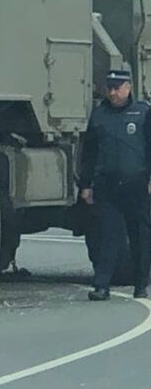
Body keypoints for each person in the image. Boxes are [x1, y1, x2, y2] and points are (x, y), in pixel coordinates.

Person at [79, 69, 151, 301]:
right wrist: (85, 184)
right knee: (107, 236)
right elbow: (89, 152)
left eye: (117, 87)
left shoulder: (143, 112)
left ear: (128, 87)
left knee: (139, 236)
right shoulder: (99, 115)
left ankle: (141, 285)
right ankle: (101, 286)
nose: (112, 92)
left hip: (137, 184)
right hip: (107, 185)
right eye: (109, 88)